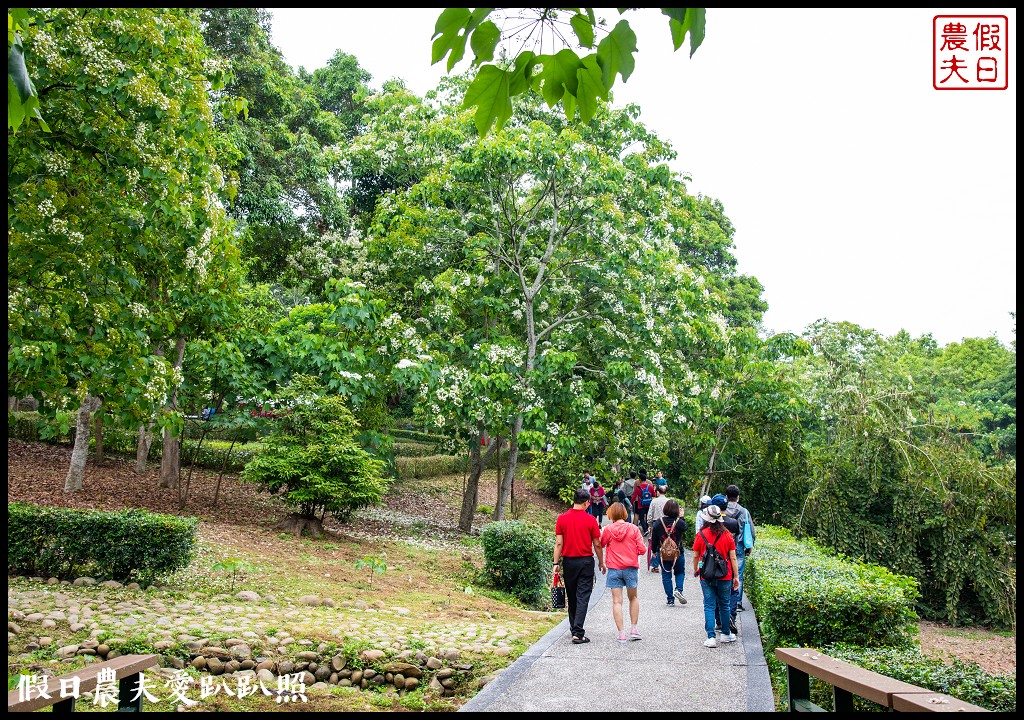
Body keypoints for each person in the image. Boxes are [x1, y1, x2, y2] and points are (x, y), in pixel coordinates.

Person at [554, 488, 606, 644]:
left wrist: (555, 563)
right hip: (585, 562)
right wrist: (601, 562)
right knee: (583, 596)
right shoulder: (590, 520)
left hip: (569, 562)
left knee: (572, 596)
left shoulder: (562, 519)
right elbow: (597, 544)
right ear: (586, 502)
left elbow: (558, 543)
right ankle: (578, 632)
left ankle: (574, 629)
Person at [692, 504, 740, 648]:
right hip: (725, 576)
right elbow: (733, 558)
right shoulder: (727, 535)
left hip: (706, 576)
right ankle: (725, 634)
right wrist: (736, 577)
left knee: (709, 605)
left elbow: (697, 556)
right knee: (724, 605)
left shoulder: (700, 535)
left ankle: (711, 637)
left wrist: (697, 569)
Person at [600, 501, 647, 642]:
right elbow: (643, 550)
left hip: (614, 569)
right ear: (625, 514)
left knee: (617, 601)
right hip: (630, 568)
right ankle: (634, 629)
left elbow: (601, 543)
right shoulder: (633, 529)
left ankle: (621, 634)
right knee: (633, 598)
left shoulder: (608, 529)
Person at [724, 484, 755, 619]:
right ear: (738, 497)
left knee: (724, 572)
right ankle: (737, 603)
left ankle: (725, 600)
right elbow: (751, 530)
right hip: (738, 547)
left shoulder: (722, 510)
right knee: (738, 575)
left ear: (726, 496)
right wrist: (749, 546)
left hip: (723, 547)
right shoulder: (744, 511)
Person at [650, 500, 688, 605]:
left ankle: (670, 599)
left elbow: (654, 538)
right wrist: (681, 517)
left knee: (666, 575)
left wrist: (653, 550)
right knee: (680, 572)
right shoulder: (679, 522)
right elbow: (685, 528)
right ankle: (679, 590)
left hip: (663, 553)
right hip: (677, 552)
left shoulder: (658, 522)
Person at [645, 483, 670, 572]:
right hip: (667, 524)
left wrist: (650, 525)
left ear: (658, 492)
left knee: (655, 544)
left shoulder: (654, 501)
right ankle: (667, 562)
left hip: (656, 523)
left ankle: (655, 566)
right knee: (666, 543)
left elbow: (650, 515)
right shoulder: (669, 501)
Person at [631, 470, 656, 536]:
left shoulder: (638, 487)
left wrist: (631, 503)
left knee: (641, 517)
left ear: (640, 479)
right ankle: (648, 528)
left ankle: (645, 529)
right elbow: (654, 494)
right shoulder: (650, 485)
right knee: (648, 517)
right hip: (648, 504)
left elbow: (634, 496)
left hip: (640, 504)